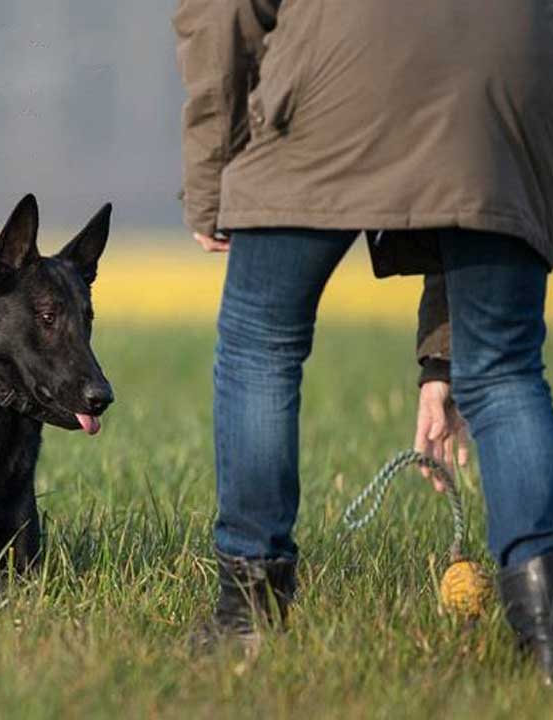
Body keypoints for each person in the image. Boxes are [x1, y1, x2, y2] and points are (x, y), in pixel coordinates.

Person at [174, 0, 553, 677]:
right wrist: (448, 355)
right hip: (512, 75)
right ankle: (545, 626)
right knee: (504, 369)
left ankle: (247, 616)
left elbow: (222, 11)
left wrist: (211, 182)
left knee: (261, 337)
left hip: (337, 72)